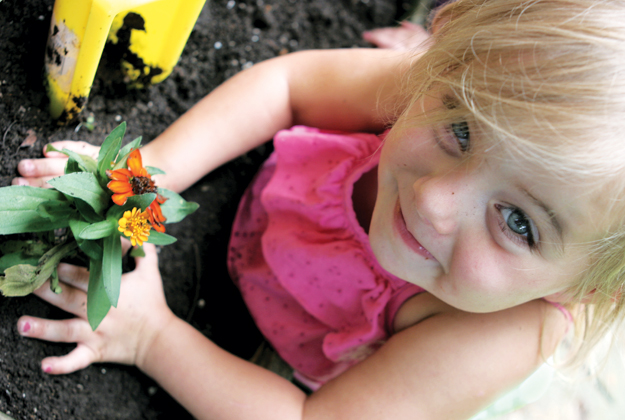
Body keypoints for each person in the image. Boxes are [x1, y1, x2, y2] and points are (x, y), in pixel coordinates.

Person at [11, 0, 625, 418]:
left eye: (519, 222)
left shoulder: (496, 334)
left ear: (589, 288)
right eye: (460, 131)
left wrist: (152, 337)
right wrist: (145, 180)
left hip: (323, 375)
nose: (435, 200)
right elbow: (287, 88)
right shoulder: (459, 88)